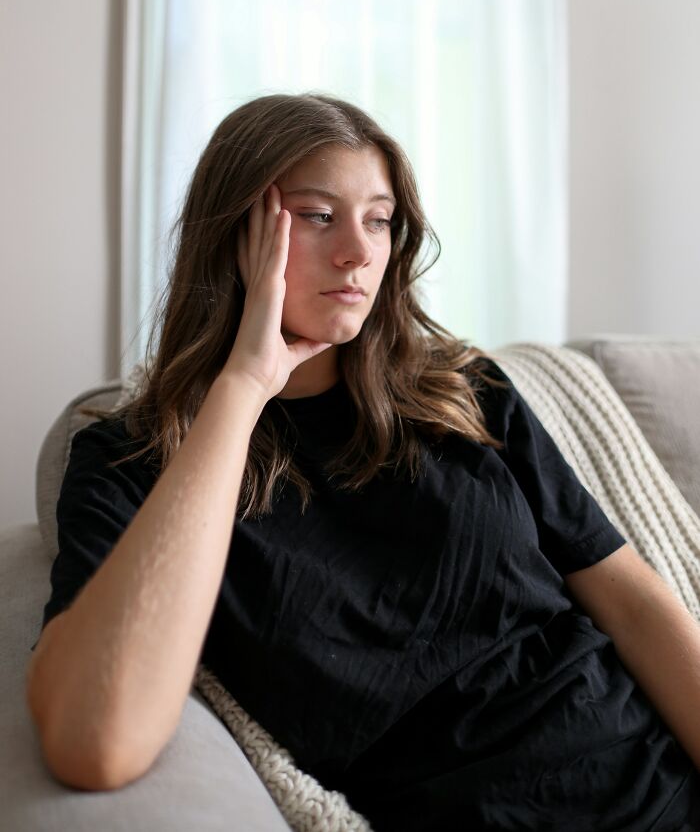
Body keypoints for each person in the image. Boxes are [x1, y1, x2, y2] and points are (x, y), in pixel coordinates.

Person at [26, 93, 700, 831]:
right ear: (236, 236)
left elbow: (634, 603)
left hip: (655, 781)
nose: (359, 251)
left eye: (378, 219)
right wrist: (244, 387)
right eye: (319, 216)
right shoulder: (130, 462)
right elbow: (96, 740)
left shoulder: (464, 393)